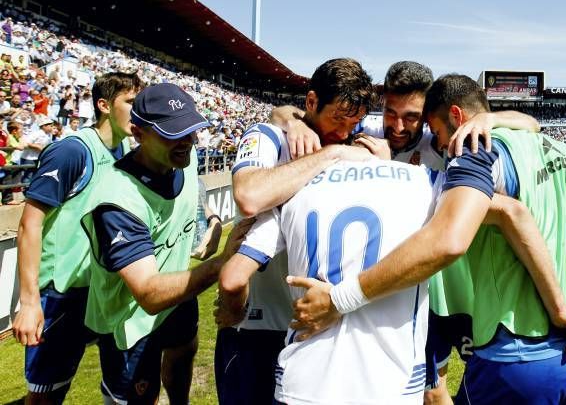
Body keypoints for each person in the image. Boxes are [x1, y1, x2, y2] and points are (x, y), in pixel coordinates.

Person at [289, 74, 566, 404]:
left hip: (474, 303)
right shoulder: (367, 132)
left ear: (449, 118)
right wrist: (293, 121)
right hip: (432, 293)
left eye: (413, 118)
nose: (399, 126)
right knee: (432, 388)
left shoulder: (466, 146)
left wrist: (490, 119)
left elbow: (468, 229)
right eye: (391, 113)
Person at [215, 58, 376, 405]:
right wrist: (329, 153)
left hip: (319, 326)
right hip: (256, 330)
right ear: (313, 103)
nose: (345, 132)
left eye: (354, 122)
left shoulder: (357, 143)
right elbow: (248, 195)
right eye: (338, 119)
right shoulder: (270, 136)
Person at [219, 157, 438, 403]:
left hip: (303, 384)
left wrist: (234, 310)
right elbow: (465, 223)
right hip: (391, 385)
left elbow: (233, 279)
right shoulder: (425, 181)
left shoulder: (295, 187)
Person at [79, 82, 247, 404]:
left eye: (192, 130)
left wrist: (210, 220)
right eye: (173, 133)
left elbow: (192, 190)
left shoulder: (185, 155)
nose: (187, 141)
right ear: (138, 133)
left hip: (179, 293)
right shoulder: (118, 199)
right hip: (130, 322)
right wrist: (223, 263)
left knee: (184, 354)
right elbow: (149, 294)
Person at [12, 72, 142, 404]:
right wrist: (28, 303)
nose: (138, 109)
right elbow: (30, 225)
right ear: (103, 105)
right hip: (62, 295)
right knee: (45, 395)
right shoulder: (71, 151)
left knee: (126, 391)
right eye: (130, 101)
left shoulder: (126, 150)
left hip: (106, 292)